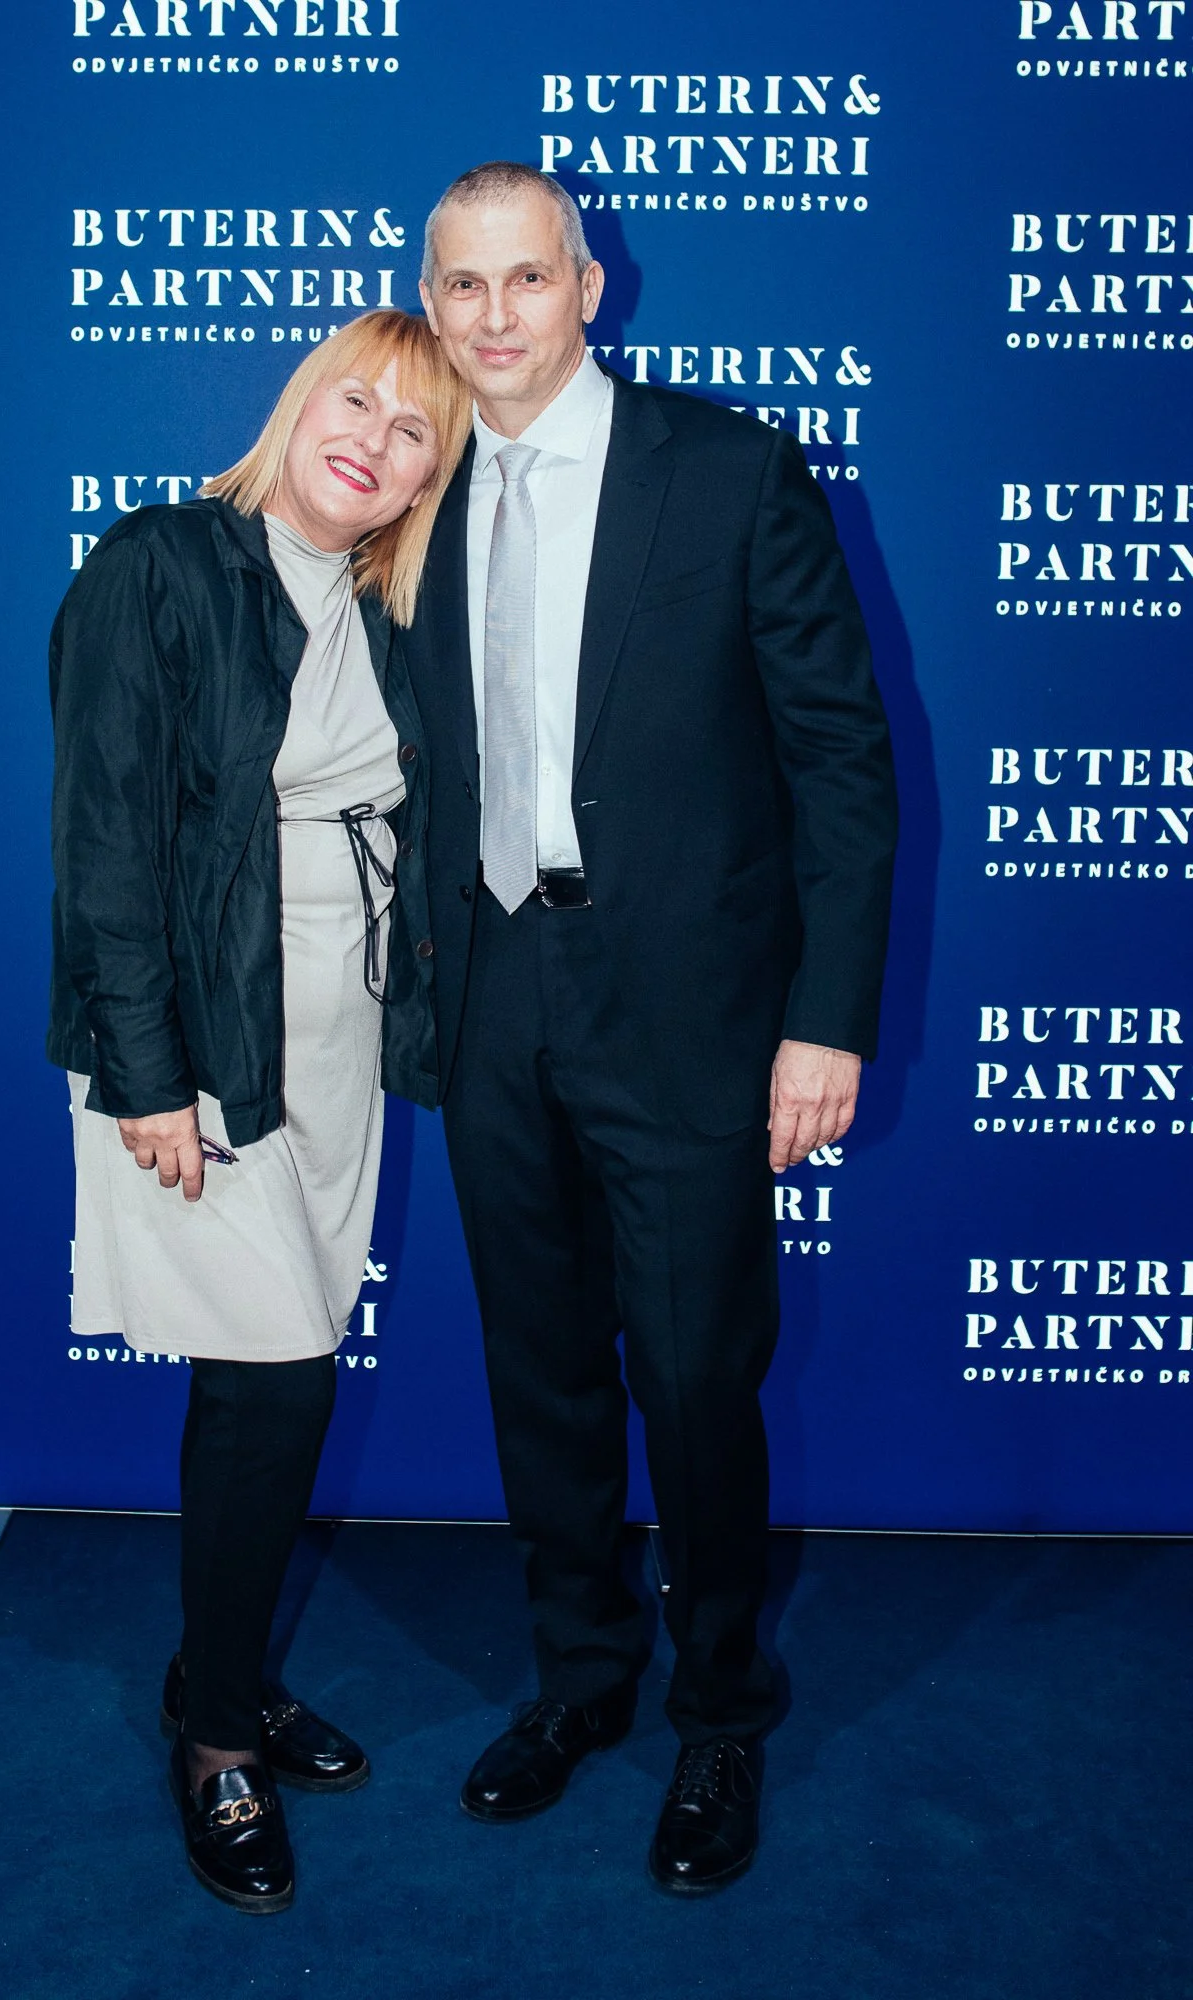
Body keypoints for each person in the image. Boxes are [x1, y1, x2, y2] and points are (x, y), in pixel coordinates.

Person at [406, 163, 898, 1894]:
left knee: (693, 1381)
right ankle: (580, 1682)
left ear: (590, 285)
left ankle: (719, 1714)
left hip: (691, 1014)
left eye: (524, 280)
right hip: (493, 999)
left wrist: (823, 1023)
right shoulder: (422, 482)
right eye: (458, 287)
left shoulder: (735, 468)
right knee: (539, 1375)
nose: (491, 320)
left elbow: (844, 761)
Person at [48, 310, 469, 1914]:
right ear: (301, 400)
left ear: (426, 480)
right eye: (355, 399)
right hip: (203, 1044)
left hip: (339, 1047)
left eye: (415, 431)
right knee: (279, 1387)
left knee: (261, 1390)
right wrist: (144, 1076)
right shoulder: (159, 563)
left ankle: (215, 1673)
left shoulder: (383, 609)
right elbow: (103, 840)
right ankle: (217, 1739)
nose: (372, 436)